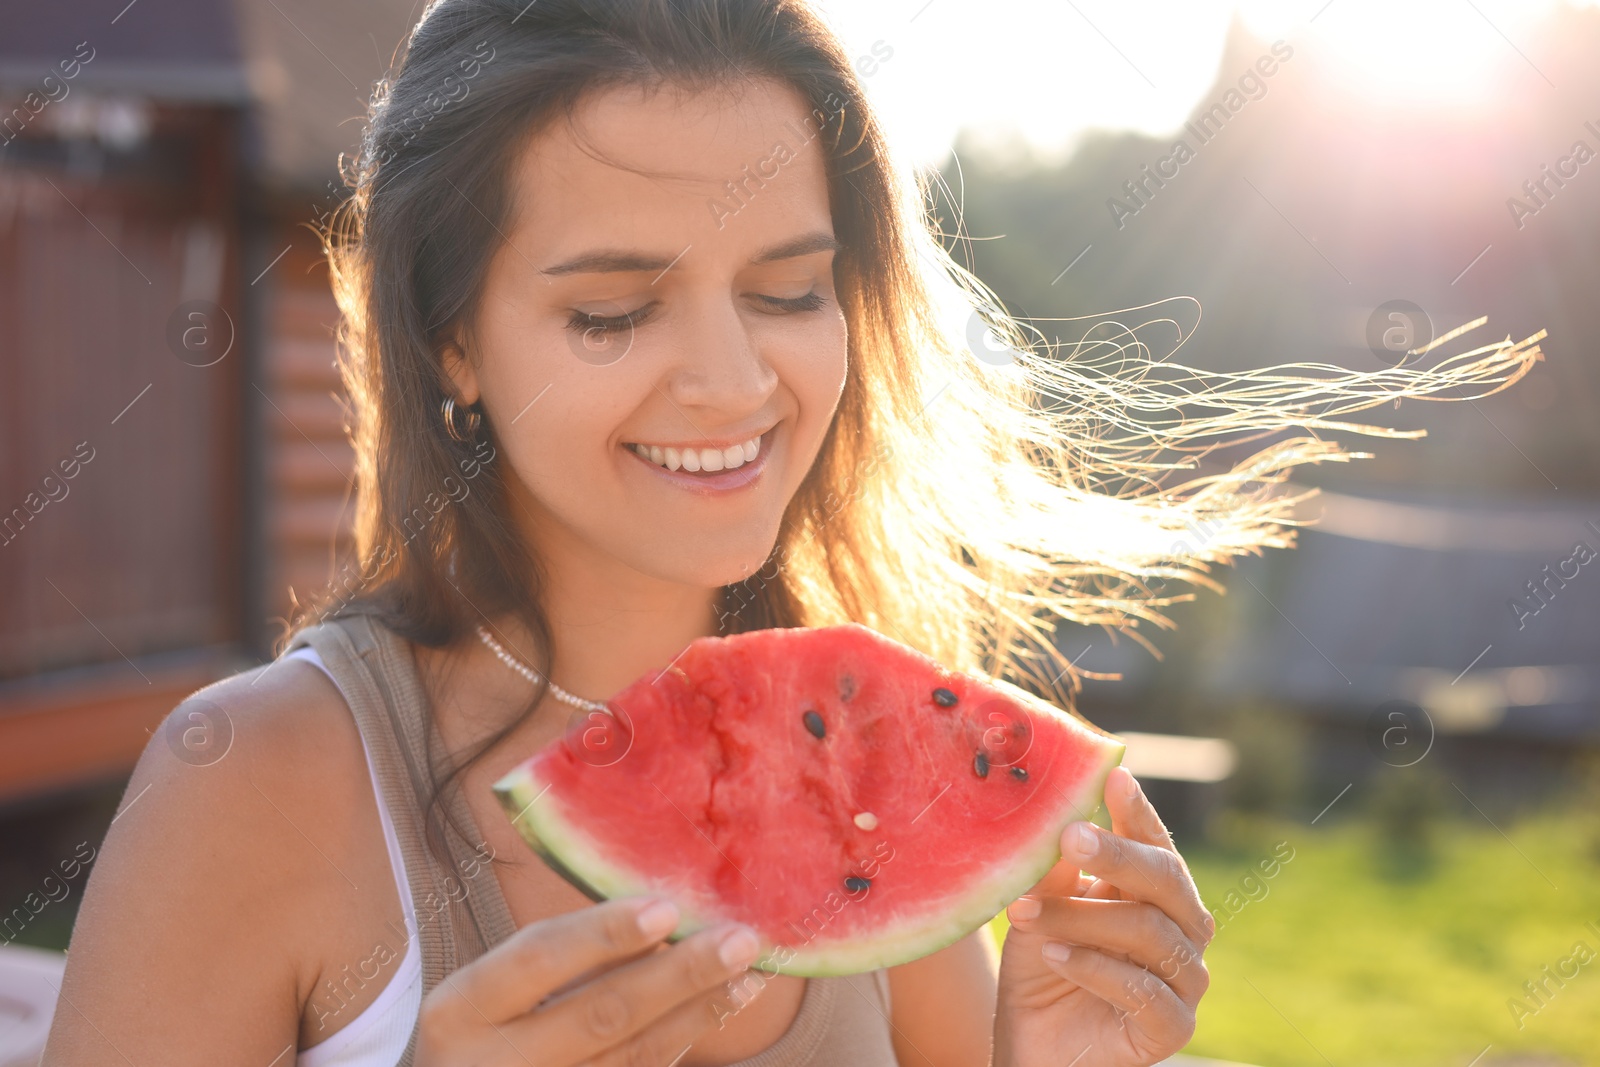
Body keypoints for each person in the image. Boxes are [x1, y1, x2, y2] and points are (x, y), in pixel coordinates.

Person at [42, 1, 1540, 1064]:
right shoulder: (255, 788)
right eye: (613, 310)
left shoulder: (864, 789)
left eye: (787, 289)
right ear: (451, 340)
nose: (734, 381)